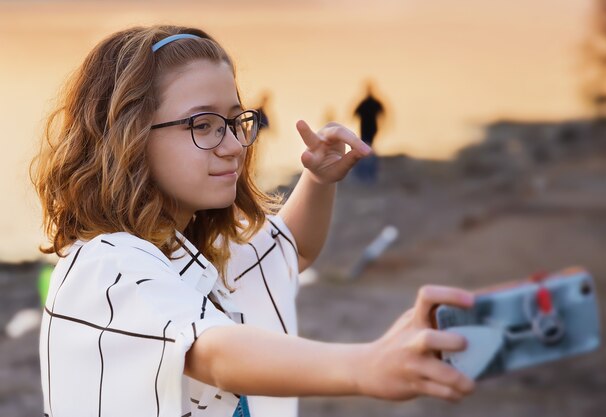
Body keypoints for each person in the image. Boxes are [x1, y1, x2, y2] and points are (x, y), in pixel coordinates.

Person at [31, 25, 475, 417]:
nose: (234, 145)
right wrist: (365, 366)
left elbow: (290, 251)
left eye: (234, 120)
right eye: (203, 125)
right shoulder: (108, 268)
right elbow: (212, 351)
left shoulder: (184, 250)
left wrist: (317, 180)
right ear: (127, 137)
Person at [353, 81, 386, 183]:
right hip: (370, 130)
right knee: (367, 150)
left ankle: (367, 173)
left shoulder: (367, 103)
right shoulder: (370, 103)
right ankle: (366, 174)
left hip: (368, 130)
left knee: (366, 151)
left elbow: (354, 114)